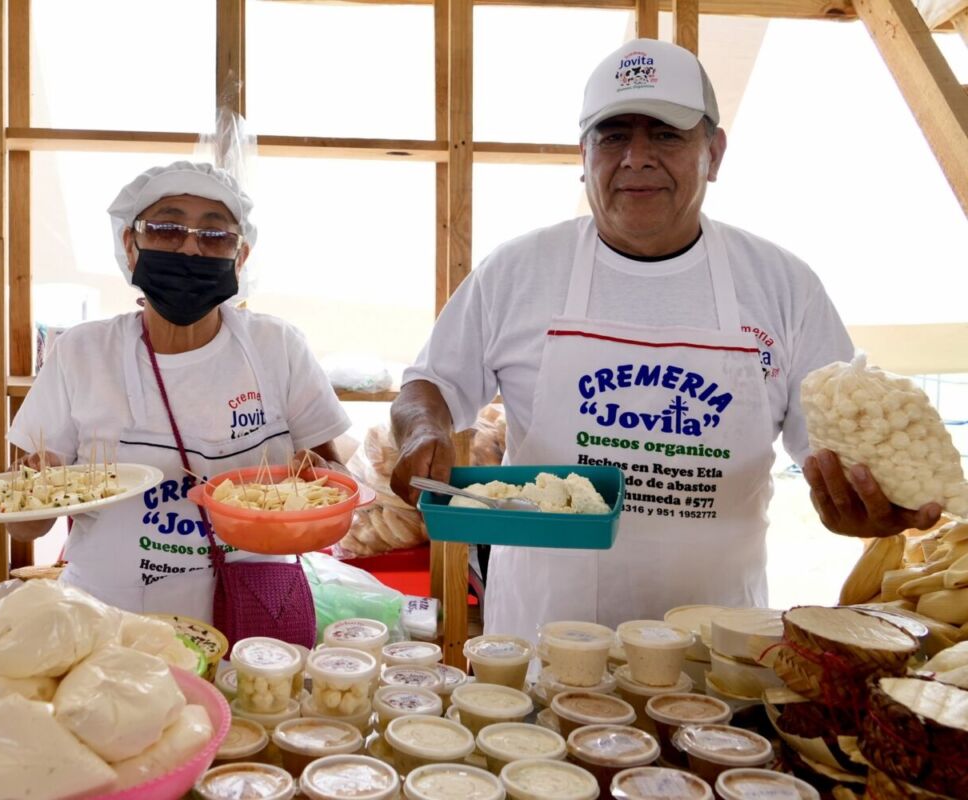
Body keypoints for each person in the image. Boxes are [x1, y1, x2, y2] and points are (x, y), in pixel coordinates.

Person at [389, 39, 941, 638]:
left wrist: (860, 499)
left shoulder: (784, 287)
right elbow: (431, 383)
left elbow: (838, 454)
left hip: (716, 651)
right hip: (539, 642)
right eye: (613, 135)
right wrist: (423, 427)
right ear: (584, 153)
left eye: (666, 135)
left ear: (715, 152)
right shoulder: (520, 271)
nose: (636, 157)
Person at [6, 161, 351, 628]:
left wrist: (323, 486)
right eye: (167, 229)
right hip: (110, 623)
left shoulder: (277, 347)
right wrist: (33, 491)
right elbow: (23, 525)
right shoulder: (81, 353)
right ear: (130, 245)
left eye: (214, 237)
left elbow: (328, 482)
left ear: (240, 257)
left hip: (254, 620)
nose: (190, 248)